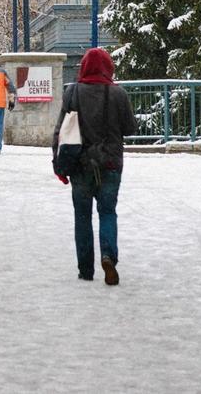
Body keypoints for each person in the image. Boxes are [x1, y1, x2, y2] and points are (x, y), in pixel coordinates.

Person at [52, 47, 138, 285]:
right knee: (108, 212)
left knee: (82, 216)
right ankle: (108, 256)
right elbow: (130, 128)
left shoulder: (73, 92)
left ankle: (85, 270)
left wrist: (58, 165)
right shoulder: (117, 93)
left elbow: (61, 131)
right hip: (110, 163)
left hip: (79, 164)